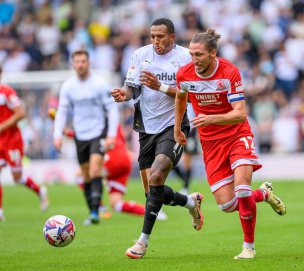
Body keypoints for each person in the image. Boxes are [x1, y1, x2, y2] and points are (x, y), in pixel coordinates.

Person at [174, 29, 286, 260]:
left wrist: (210, 118)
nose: (194, 59)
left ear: (213, 54)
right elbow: (180, 98)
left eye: (199, 55)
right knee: (226, 205)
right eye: (192, 54)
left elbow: (239, 113)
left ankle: (249, 247)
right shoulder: (184, 75)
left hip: (237, 135)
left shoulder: (229, 72)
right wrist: (177, 128)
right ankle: (264, 194)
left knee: (242, 190)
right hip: (210, 143)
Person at [111, 18, 203, 259]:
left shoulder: (184, 58)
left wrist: (160, 85)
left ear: (172, 37)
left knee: (157, 176)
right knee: (152, 192)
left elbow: (189, 95)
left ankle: (142, 242)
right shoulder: (140, 55)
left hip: (175, 125)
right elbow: (131, 87)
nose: (155, 41)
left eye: (160, 37)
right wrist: (123, 93)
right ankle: (190, 203)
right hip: (145, 127)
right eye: (152, 36)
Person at [53, 49, 119, 224]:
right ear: (73, 64)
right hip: (80, 134)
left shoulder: (99, 84)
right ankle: (92, 210)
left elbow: (112, 109)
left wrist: (111, 135)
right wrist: (57, 135)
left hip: (98, 132)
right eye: (77, 61)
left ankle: (96, 212)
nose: (80, 64)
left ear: (88, 63)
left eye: (83, 61)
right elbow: (62, 111)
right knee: (86, 175)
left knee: (95, 169)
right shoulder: (68, 86)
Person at [48, 108, 145, 217]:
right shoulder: (112, 122)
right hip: (124, 161)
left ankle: (99, 207)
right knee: (116, 204)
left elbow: (80, 136)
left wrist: (60, 126)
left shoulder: (97, 122)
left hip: (113, 160)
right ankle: (150, 212)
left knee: (80, 175)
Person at [0, 64, 49, 222]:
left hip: (12, 140)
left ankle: (40, 190)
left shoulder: (6, 92)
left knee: (17, 177)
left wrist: (3, 126)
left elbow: (21, 112)